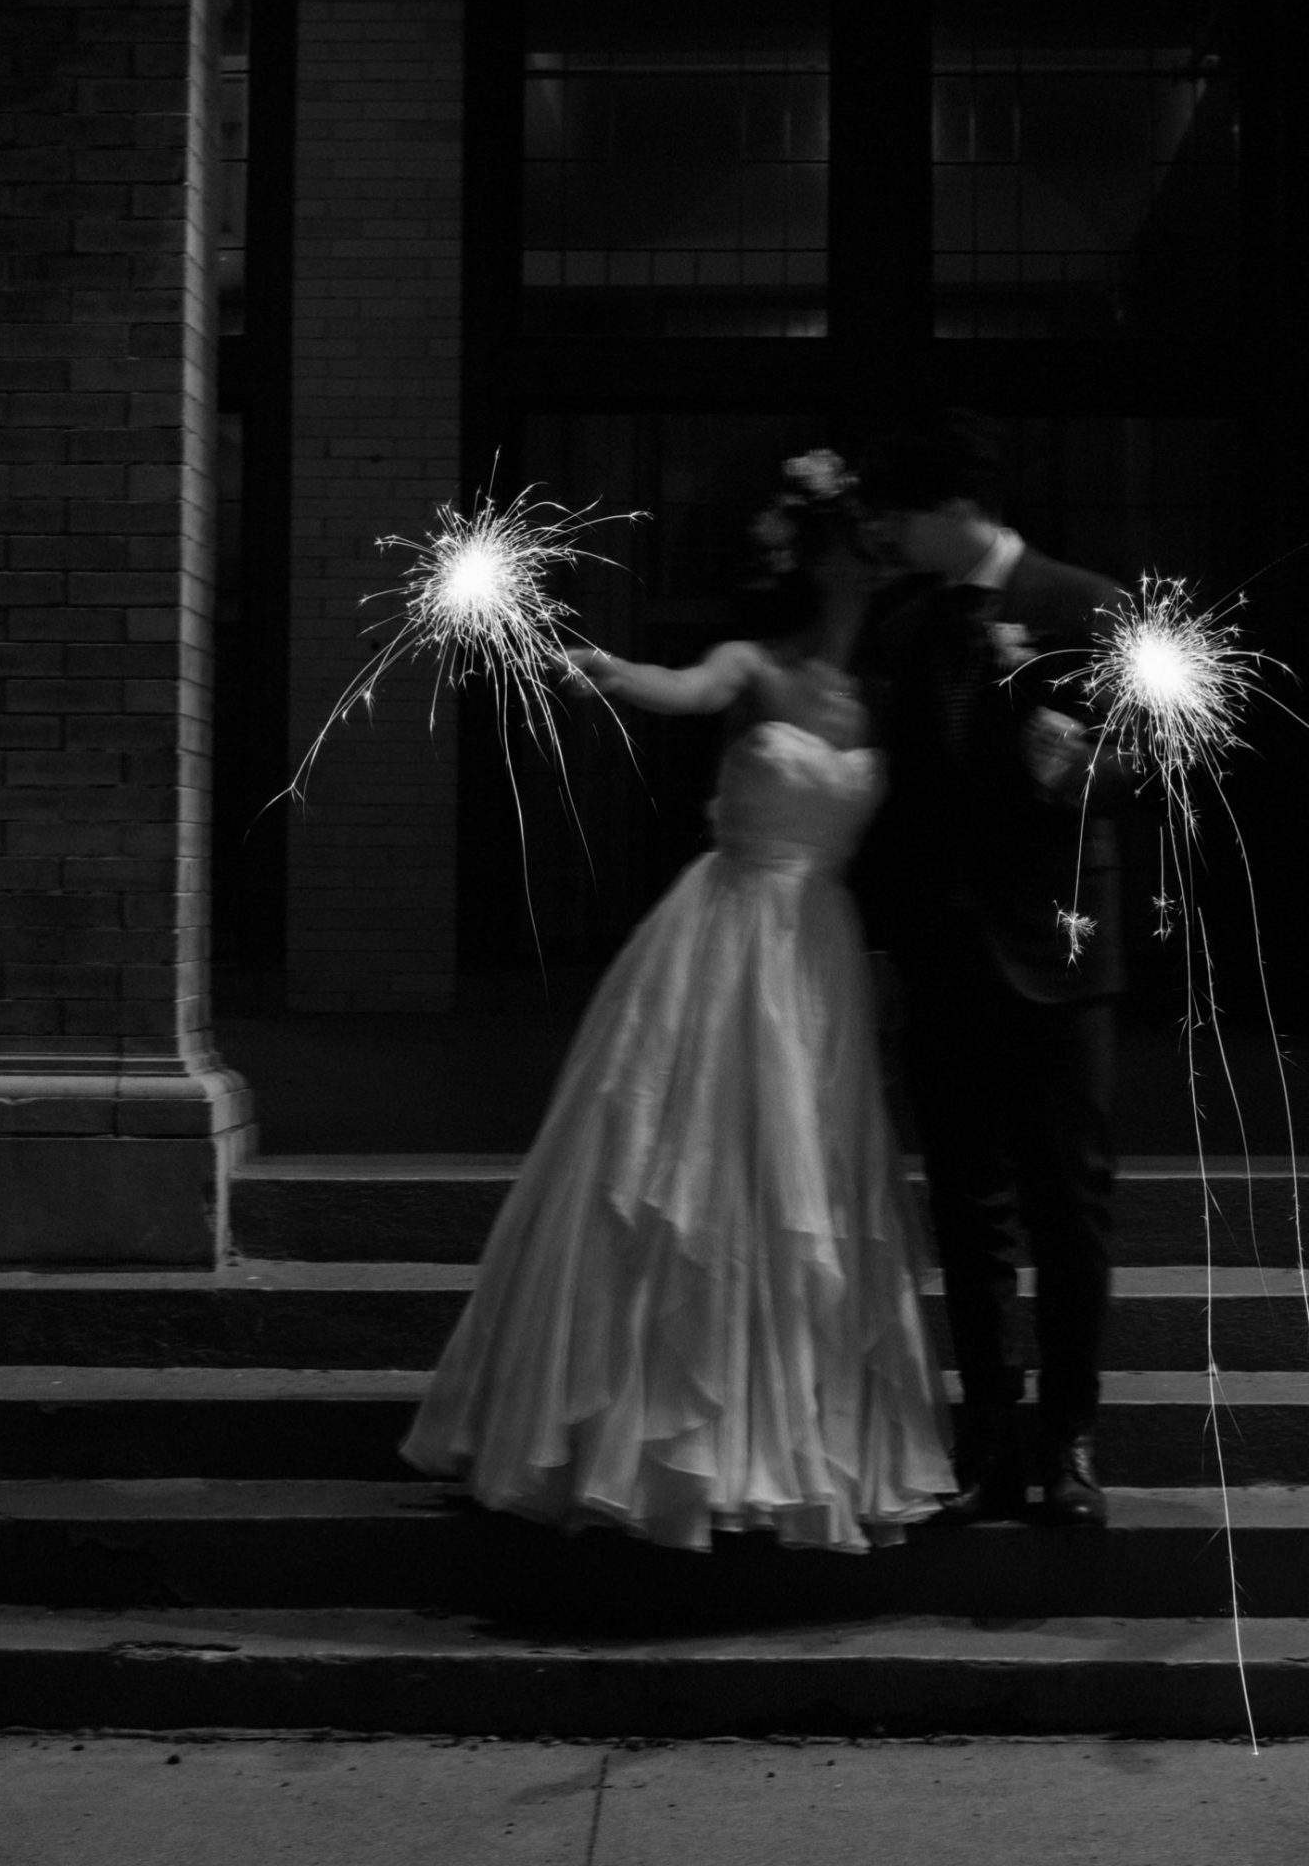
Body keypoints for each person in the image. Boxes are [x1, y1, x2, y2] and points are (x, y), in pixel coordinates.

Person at [401, 452, 955, 1553]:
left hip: (823, 954)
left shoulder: (881, 697)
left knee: (806, 1178)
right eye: (854, 543)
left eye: (873, 547)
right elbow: (682, 687)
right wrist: (609, 669)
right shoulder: (752, 663)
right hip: (728, 930)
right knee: (688, 1175)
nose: (870, 559)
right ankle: (651, 1437)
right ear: (818, 558)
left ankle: (793, 1439)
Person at [856, 414, 1132, 1529]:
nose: (890, 534)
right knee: (967, 1213)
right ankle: (987, 1441)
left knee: (1069, 1207)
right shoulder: (905, 620)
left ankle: (1068, 1439)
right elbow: (898, 804)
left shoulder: (1084, 602)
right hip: (943, 957)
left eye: (903, 515)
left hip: (1060, 955)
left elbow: (1167, 755)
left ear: (955, 511)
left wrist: (1075, 766)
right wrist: (884, 947)